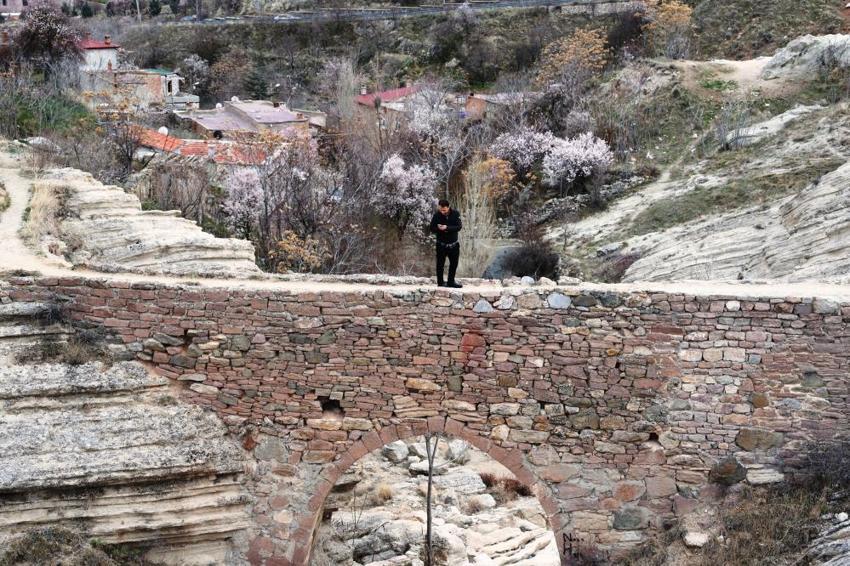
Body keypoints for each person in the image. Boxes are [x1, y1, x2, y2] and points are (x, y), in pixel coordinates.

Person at [429, 199, 462, 288]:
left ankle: (451, 282)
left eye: (444, 210)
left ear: (448, 207)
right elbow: (431, 228)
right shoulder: (436, 215)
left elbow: (459, 227)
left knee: (454, 264)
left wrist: (447, 228)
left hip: (453, 244)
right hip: (441, 245)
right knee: (440, 265)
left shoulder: (455, 214)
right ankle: (440, 283)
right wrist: (438, 228)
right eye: (441, 209)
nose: (442, 211)